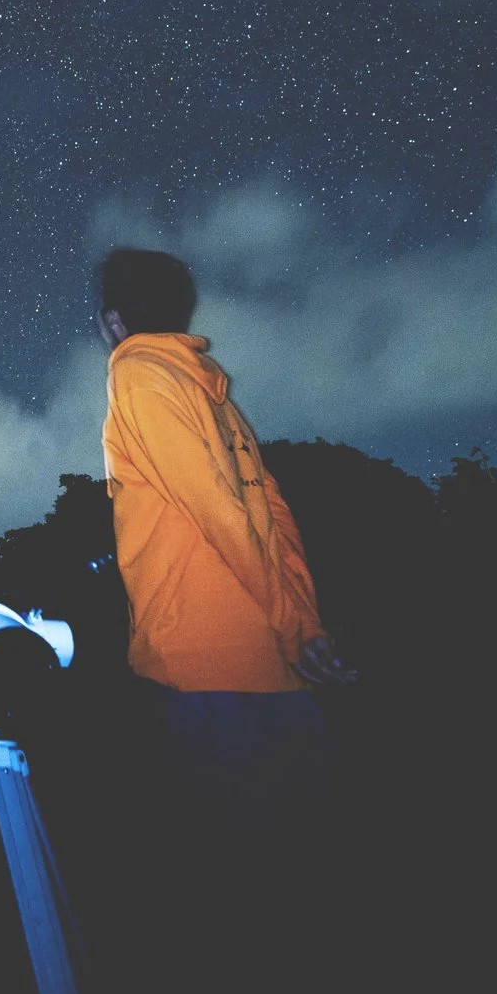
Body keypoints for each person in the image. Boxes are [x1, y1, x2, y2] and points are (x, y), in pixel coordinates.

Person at [95, 247, 354, 825]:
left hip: (203, 666)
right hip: (272, 669)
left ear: (115, 320)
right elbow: (276, 520)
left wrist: (295, 632)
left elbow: (220, 514)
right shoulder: (220, 403)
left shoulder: (136, 374)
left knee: (233, 878)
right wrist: (304, 625)